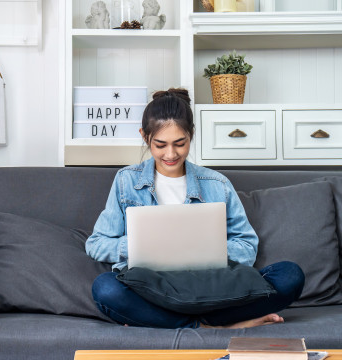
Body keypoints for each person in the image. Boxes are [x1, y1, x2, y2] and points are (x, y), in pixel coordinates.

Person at [85, 88, 305, 329]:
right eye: (160, 145)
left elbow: (246, 245)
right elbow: (96, 244)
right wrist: (141, 246)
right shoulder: (126, 180)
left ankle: (174, 324)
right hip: (154, 288)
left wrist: (207, 251)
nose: (171, 154)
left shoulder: (217, 183)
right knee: (105, 288)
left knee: (290, 276)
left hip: (210, 287)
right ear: (145, 137)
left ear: (191, 135)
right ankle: (212, 326)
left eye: (180, 143)